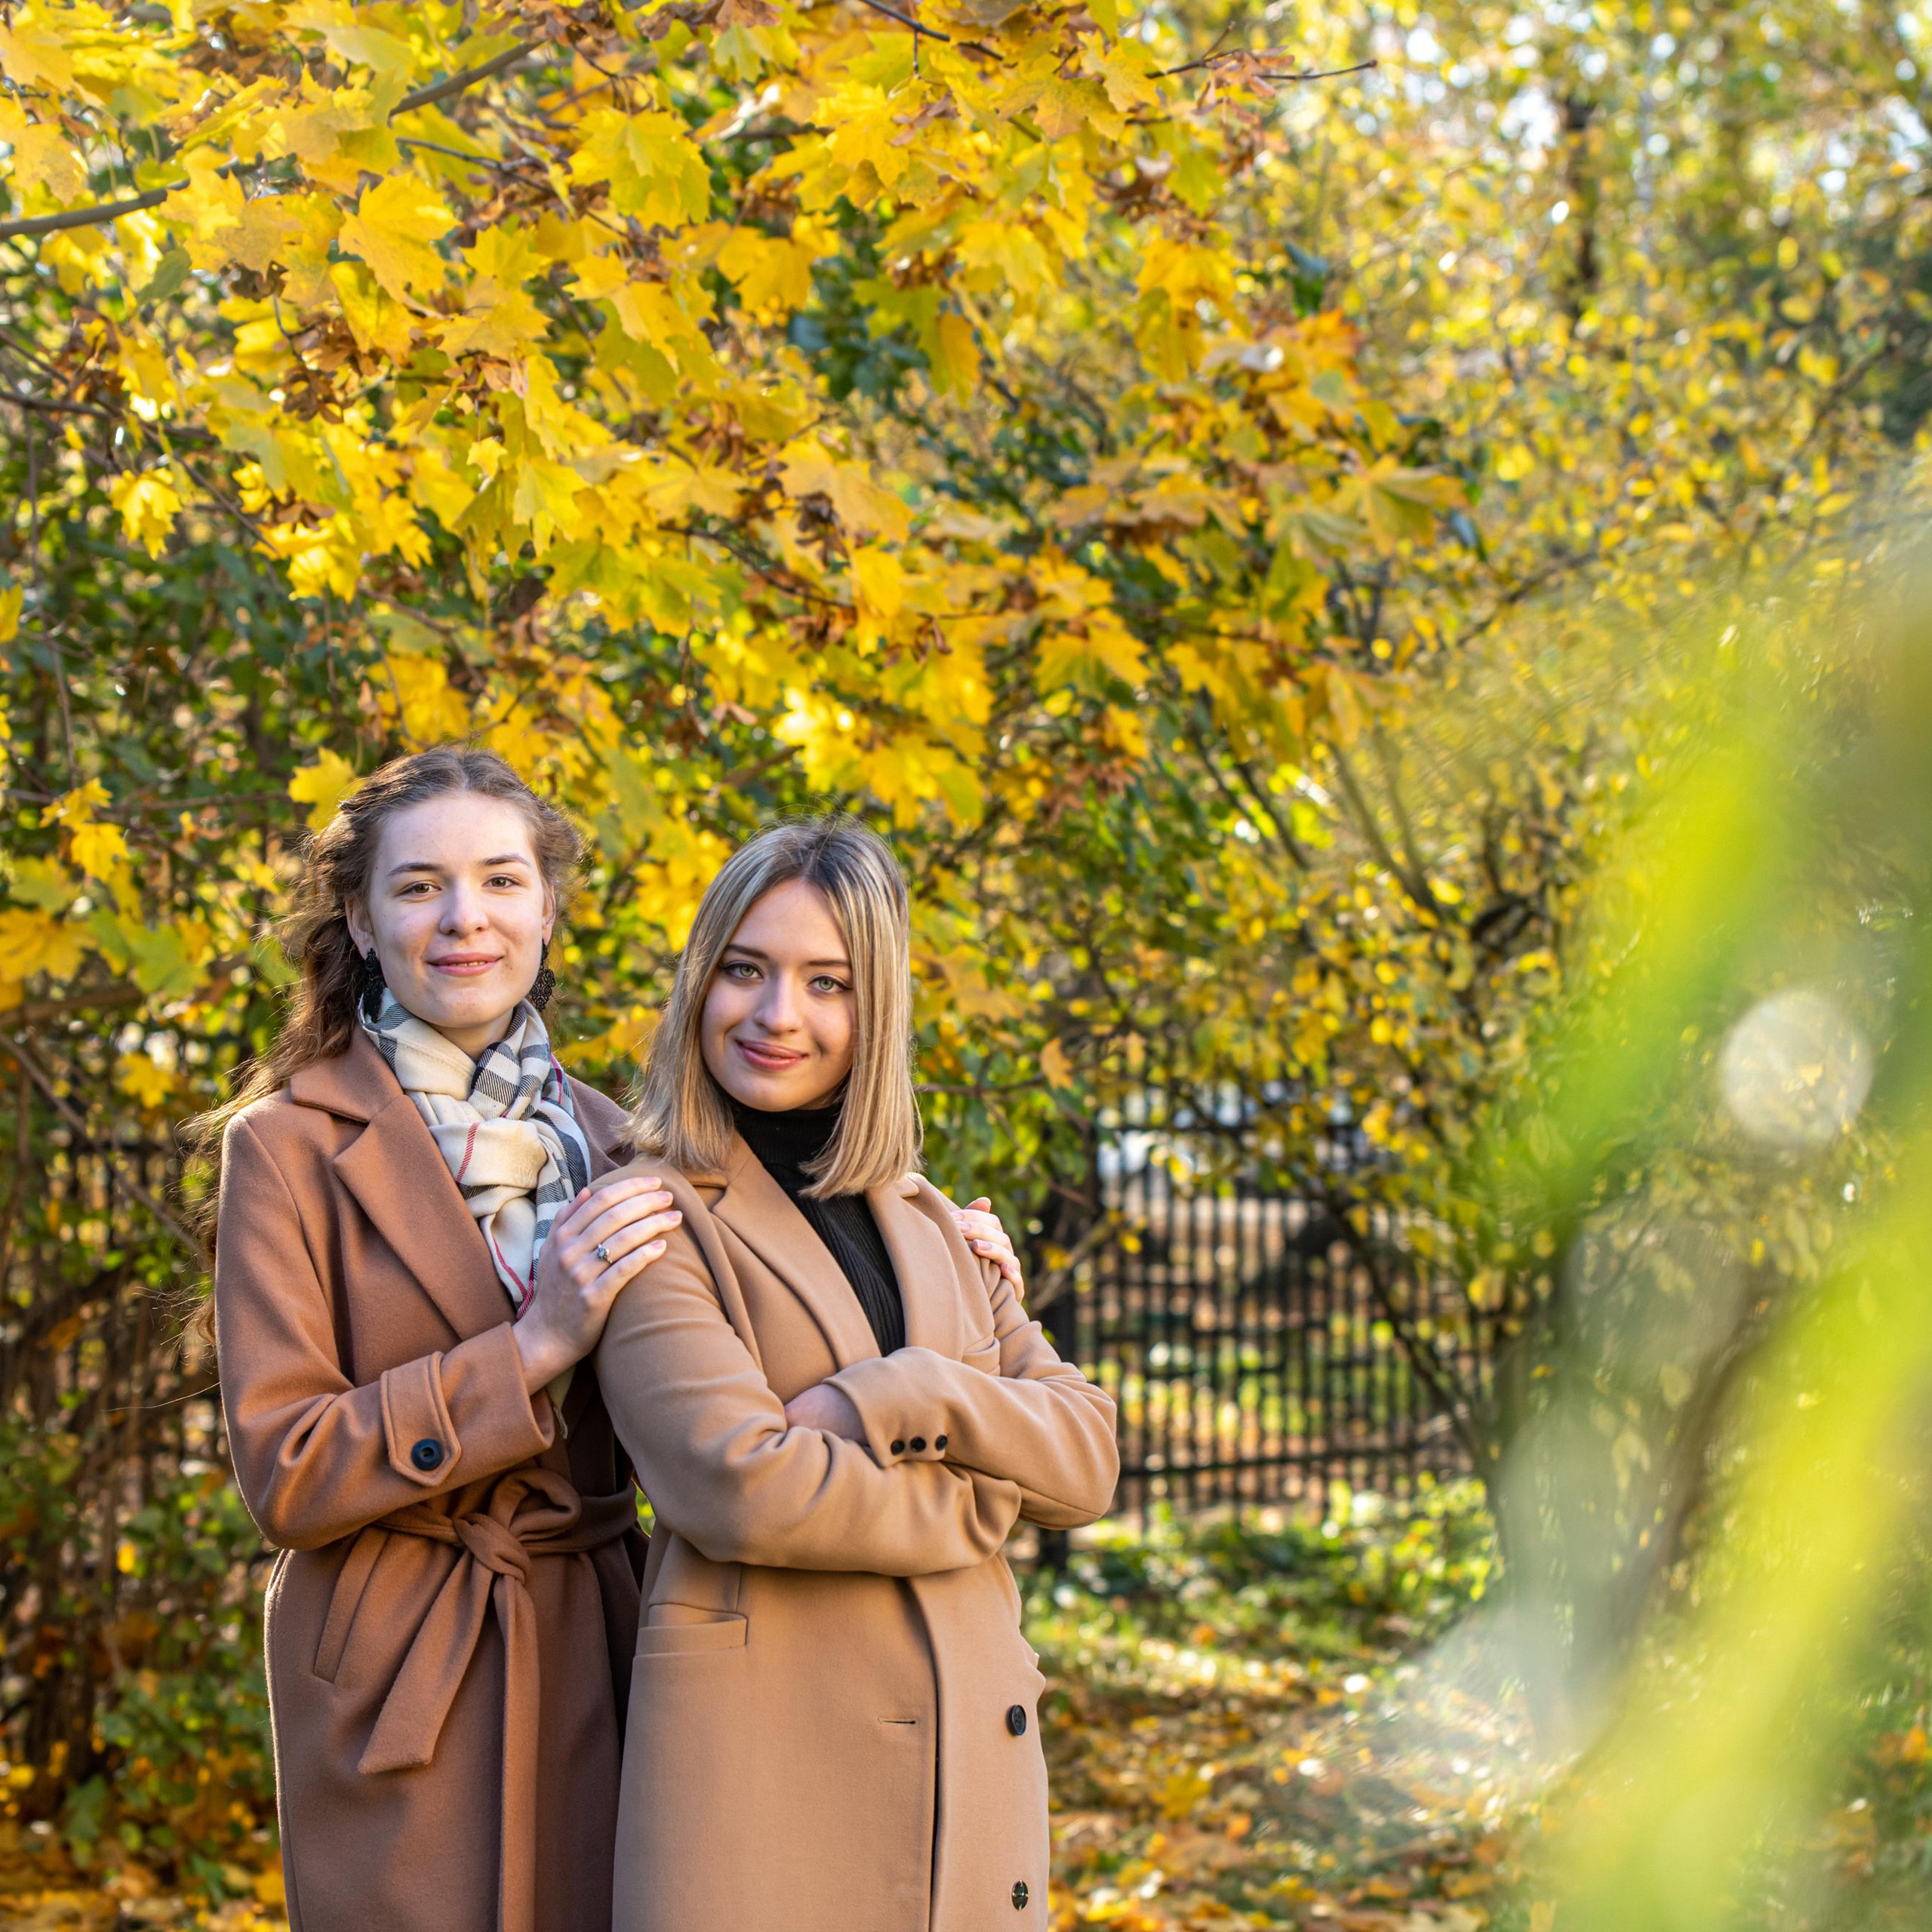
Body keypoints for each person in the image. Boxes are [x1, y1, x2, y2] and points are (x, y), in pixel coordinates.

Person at [596, 817, 1121, 1932]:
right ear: (700, 984)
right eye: (745, 970)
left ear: (873, 1007)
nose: (778, 1014)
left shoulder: (929, 1215)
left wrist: (902, 1392)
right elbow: (739, 1488)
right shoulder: (648, 1210)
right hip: (771, 1792)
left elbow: (1084, 1461)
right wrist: (987, 1485)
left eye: (826, 981)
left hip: (966, 1796)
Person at [199, 747, 681, 1932]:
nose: (465, 918)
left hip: (600, 1649)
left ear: (547, 909)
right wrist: (527, 1353)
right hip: (397, 1666)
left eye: (501, 881)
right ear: (361, 921)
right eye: (419, 888)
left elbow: (761, 1368)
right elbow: (288, 1470)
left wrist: (952, 1255)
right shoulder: (287, 1147)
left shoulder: (621, 1143)